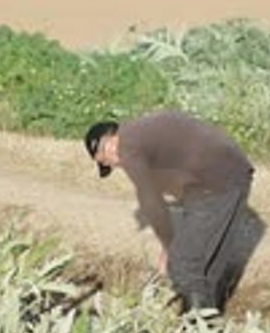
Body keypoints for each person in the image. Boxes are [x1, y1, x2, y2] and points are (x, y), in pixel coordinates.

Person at [84, 109, 258, 312]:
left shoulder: (128, 145)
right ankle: (204, 329)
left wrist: (168, 251)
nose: (117, 166)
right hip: (236, 171)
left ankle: (196, 328)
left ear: (109, 146)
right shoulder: (145, 131)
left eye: (107, 162)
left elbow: (151, 201)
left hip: (216, 180)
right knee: (208, 267)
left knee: (183, 264)